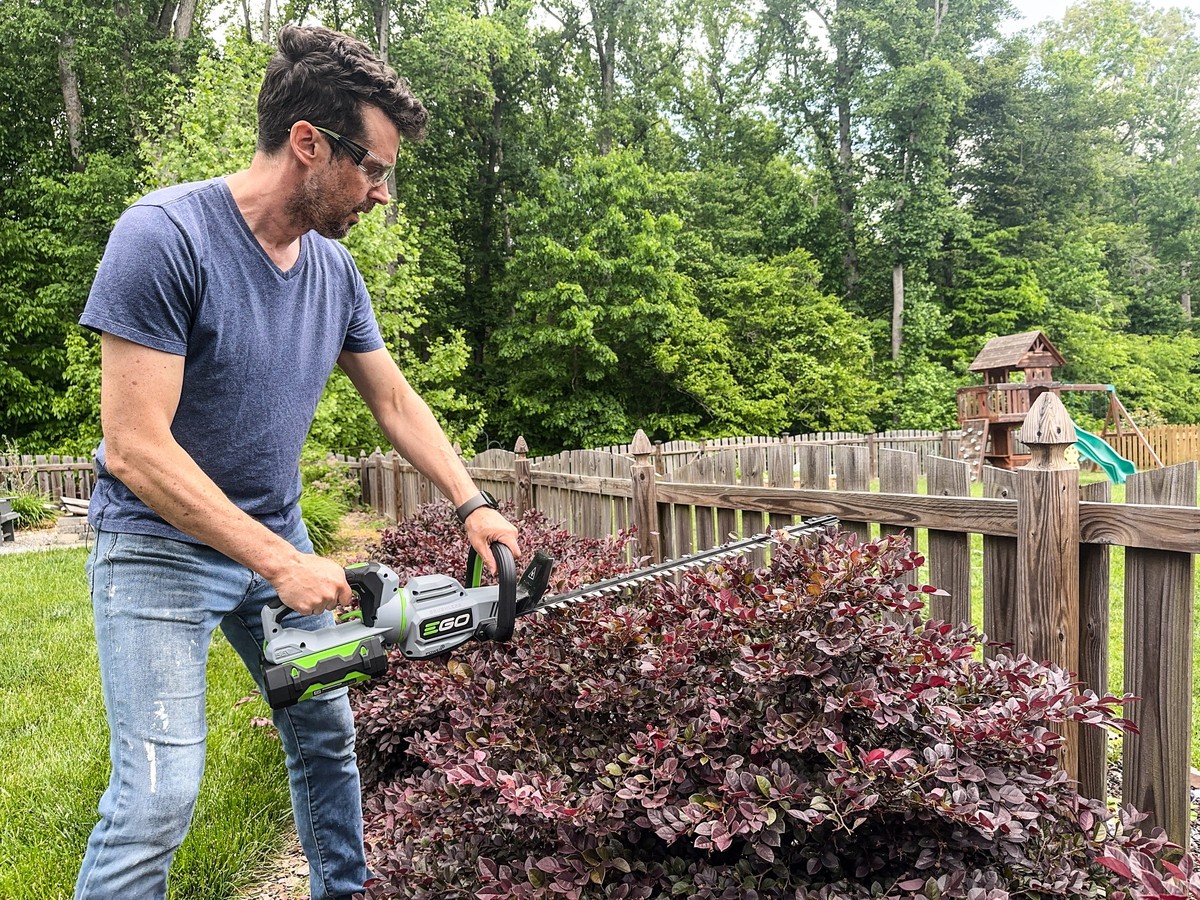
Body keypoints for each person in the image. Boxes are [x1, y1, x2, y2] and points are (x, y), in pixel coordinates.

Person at [74, 24, 520, 900]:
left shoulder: (334, 273)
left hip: (274, 533)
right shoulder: (165, 236)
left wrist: (472, 501)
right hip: (158, 548)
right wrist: (280, 561)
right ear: (309, 145)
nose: (383, 194)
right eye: (374, 168)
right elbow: (133, 447)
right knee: (159, 797)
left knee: (326, 742)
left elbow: (393, 399)